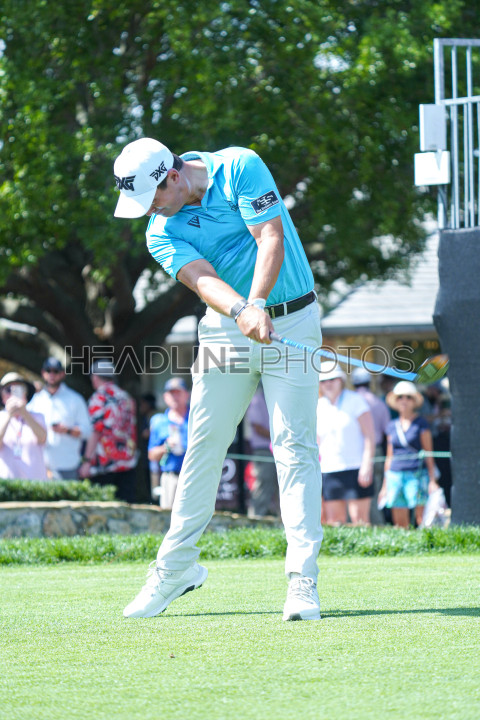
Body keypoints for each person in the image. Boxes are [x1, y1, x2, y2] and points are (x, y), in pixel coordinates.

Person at [113, 137, 323, 621]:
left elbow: (270, 236)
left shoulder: (240, 167)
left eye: (152, 199)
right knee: (204, 445)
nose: (150, 211)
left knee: (294, 446)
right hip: (228, 327)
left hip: (293, 319)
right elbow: (202, 279)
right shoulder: (159, 231)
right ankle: (175, 569)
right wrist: (244, 309)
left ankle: (302, 578)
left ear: (173, 176)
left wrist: (259, 303)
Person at [317, 366, 375, 525]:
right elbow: (316, 441)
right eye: (323, 381)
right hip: (328, 469)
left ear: (341, 380)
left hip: (356, 467)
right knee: (334, 521)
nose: (328, 384)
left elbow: (370, 436)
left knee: (360, 520)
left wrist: (367, 465)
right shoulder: (318, 405)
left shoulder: (356, 400)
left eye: (332, 379)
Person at [378, 380, 441, 528]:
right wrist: (384, 485)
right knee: (400, 522)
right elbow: (389, 457)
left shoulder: (421, 423)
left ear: (414, 401)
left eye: (408, 397)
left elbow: (428, 453)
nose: (404, 400)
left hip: (417, 474)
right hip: (395, 475)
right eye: (400, 397)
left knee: (422, 519)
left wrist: (432, 480)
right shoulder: (391, 425)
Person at [79, 360, 138, 503]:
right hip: (127, 462)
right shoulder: (127, 398)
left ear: (95, 377)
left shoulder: (98, 398)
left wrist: (87, 461)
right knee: (125, 507)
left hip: (104, 466)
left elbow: (96, 431)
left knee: (104, 509)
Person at [28, 357, 92, 479]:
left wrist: (68, 430)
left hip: (67, 466)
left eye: (56, 371)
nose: (52, 374)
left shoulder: (75, 399)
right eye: (48, 371)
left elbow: (88, 431)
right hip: (40, 465)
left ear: (62, 374)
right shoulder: (35, 401)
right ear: (43, 373)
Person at [351, 367, 391, 524]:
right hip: (377, 451)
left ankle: (360, 526)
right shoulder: (379, 403)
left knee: (354, 493)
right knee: (375, 491)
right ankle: (377, 525)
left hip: (353, 452)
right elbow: (387, 431)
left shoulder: (350, 402)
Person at [148, 378, 190, 509]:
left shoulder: (196, 418)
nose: (175, 397)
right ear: (165, 397)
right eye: (171, 393)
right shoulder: (159, 422)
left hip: (194, 475)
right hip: (170, 477)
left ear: (187, 395)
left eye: (178, 393)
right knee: (169, 516)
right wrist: (165, 447)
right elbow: (151, 455)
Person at [0, 372, 48, 480]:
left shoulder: (38, 416)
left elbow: (42, 438)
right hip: (6, 483)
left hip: (35, 483)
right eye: (8, 390)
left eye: (18, 389)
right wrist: (9, 415)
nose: (12, 394)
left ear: (25, 394)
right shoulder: (1, 417)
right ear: (2, 396)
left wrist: (24, 413)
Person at [245, 384, 279, 517]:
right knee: (263, 485)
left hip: (280, 448)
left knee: (282, 486)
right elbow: (257, 428)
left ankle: (281, 519)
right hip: (264, 450)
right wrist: (280, 436)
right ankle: (255, 519)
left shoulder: (279, 397)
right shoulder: (257, 399)